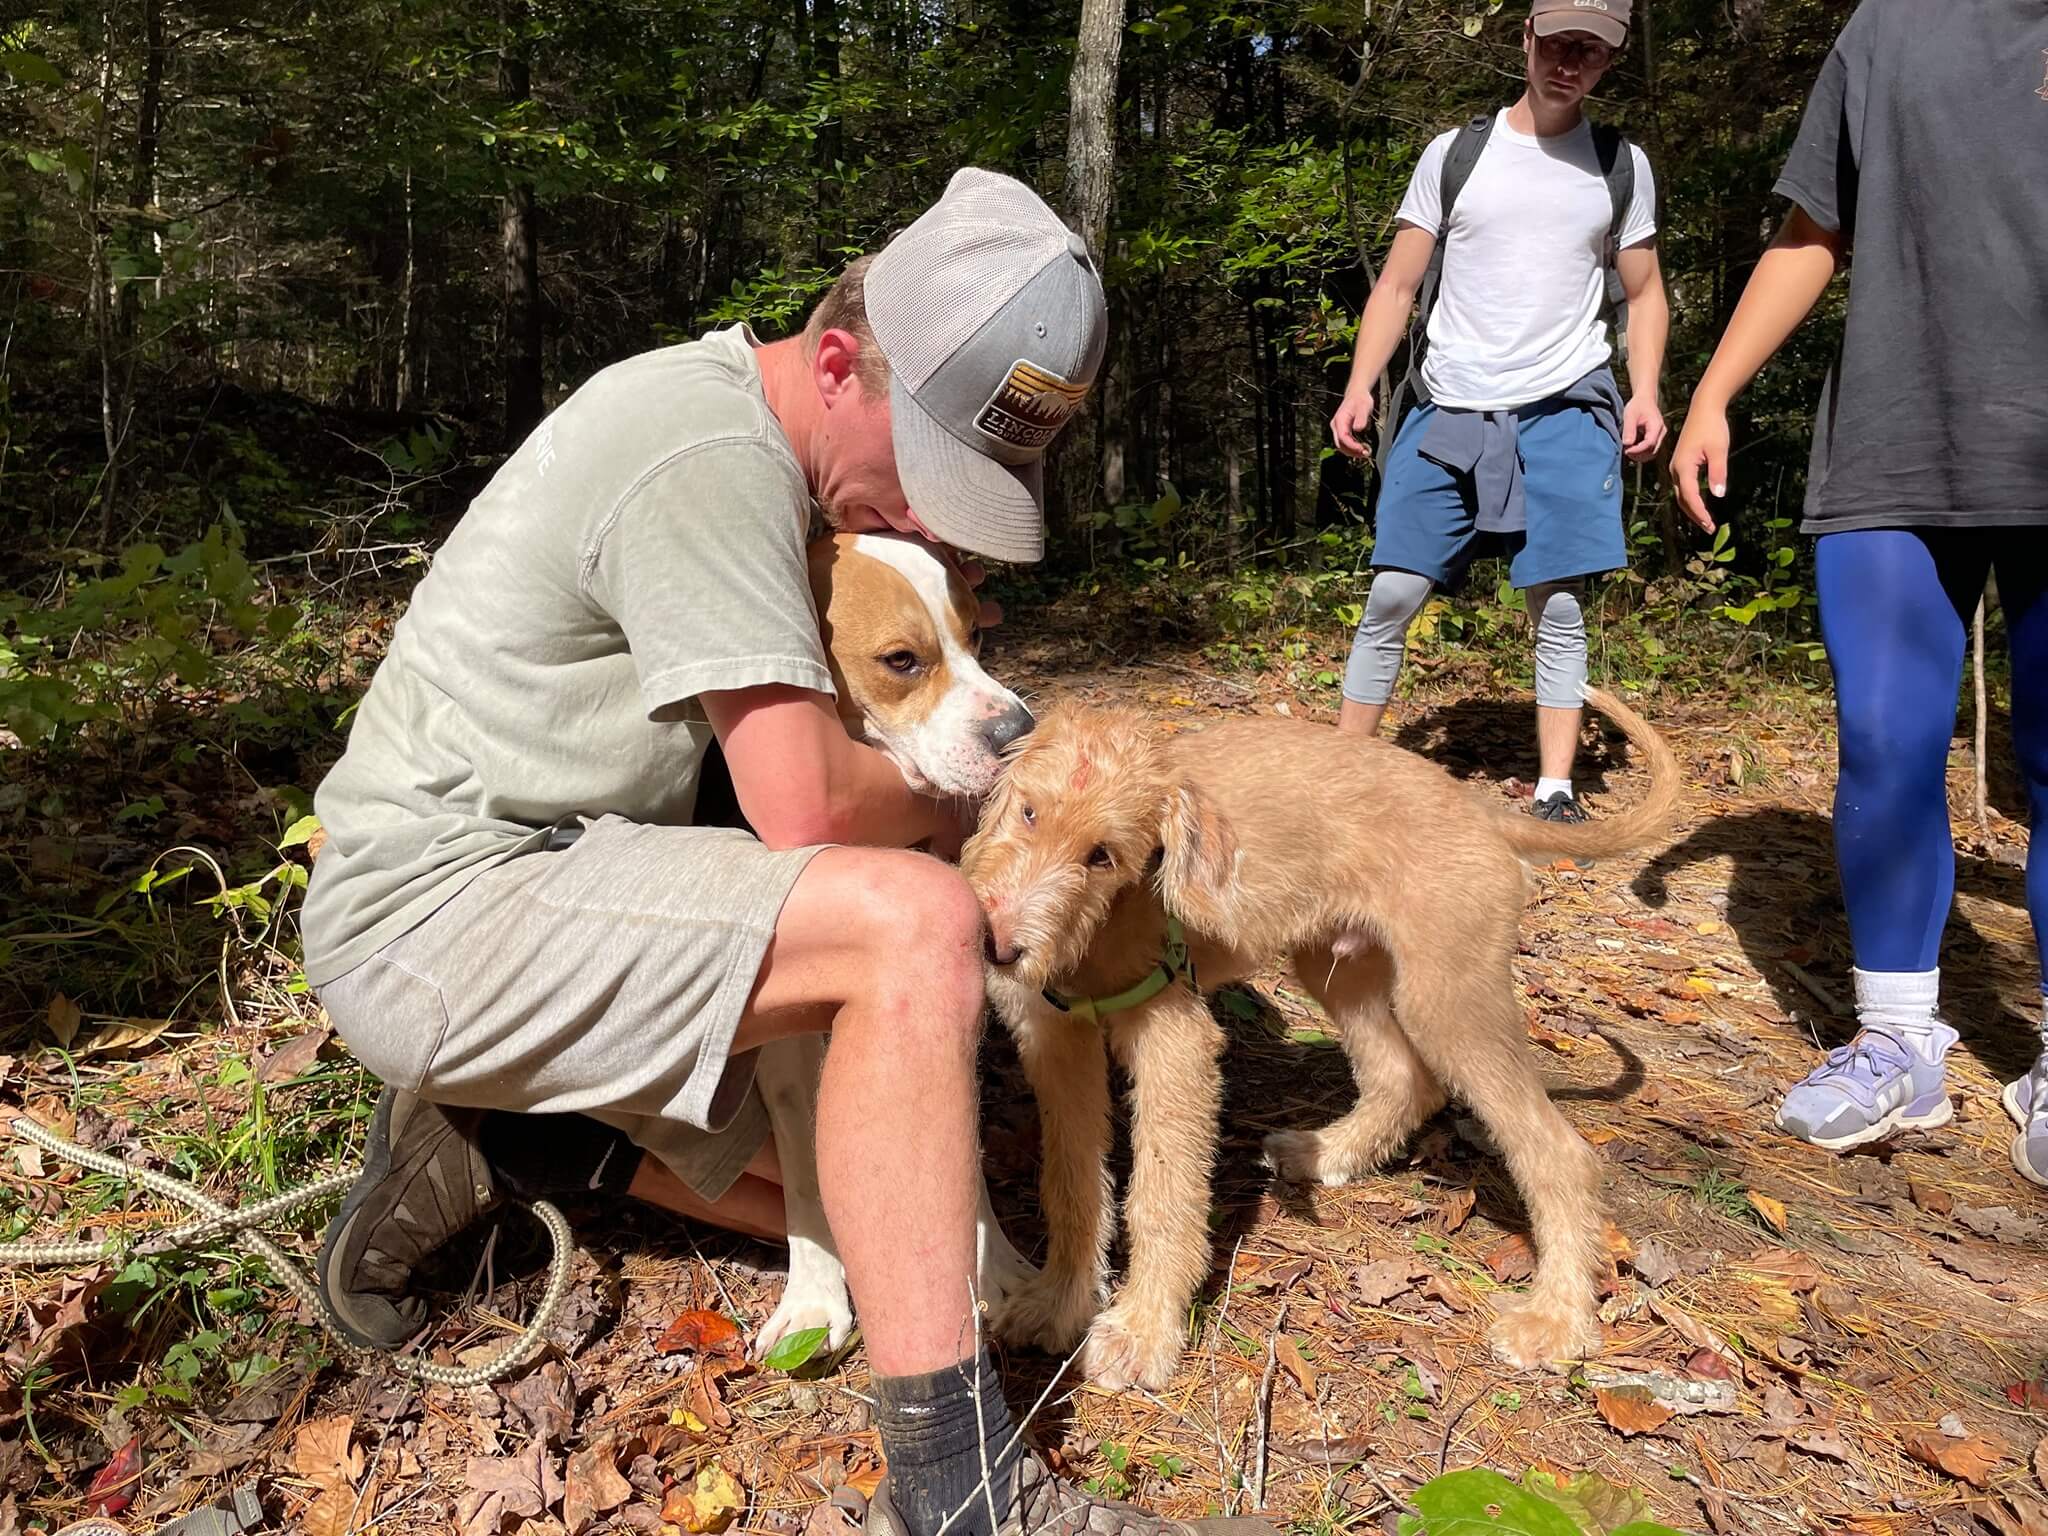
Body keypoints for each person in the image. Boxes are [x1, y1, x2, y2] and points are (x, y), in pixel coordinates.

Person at [302, 167, 1270, 1536]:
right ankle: (963, 1492)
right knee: (912, 934)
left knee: (882, 1197)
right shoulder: (707, 457)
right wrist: (991, 823)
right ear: (833, 361)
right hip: (446, 917)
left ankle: (510, 1141)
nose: (926, 519)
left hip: (561, 880)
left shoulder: (754, 461)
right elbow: (809, 813)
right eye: (927, 474)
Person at [1669, 0, 2047, 1171]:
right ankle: (1895, 1044)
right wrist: (1711, 391)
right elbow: (1810, 228)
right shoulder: (1885, 26)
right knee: (1882, 744)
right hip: (1894, 443)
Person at [1328, 0, 1669, 822]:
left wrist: (1649, 390)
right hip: (1450, 405)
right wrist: (1358, 385)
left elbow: (1645, 292)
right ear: (1526, 39)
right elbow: (1400, 285)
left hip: (1566, 405)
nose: (1569, 62)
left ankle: (1555, 791)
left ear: (1608, 61)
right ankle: (1338, 778)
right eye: (1557, 43)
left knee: (1556, 602)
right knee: (1393, 596)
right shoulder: (1456, 156)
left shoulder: (1620, 165)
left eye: (1590, 50)